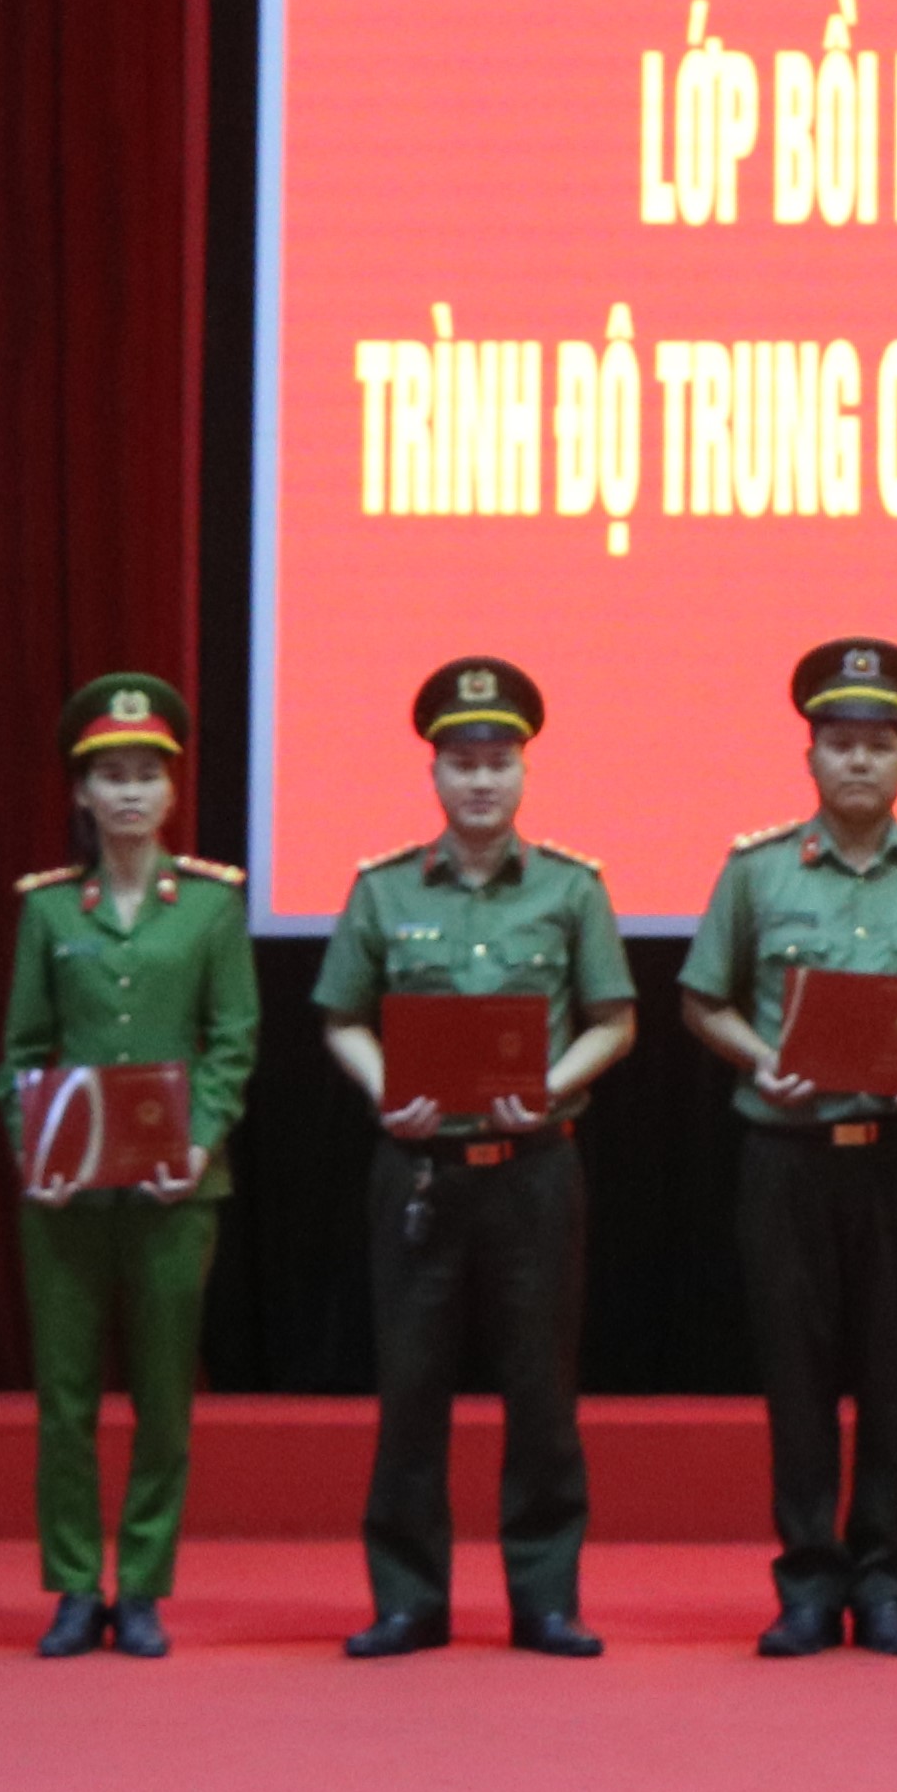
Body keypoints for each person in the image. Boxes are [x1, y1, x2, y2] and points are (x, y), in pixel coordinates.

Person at [682, 638, 897, 1659]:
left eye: (878, 744)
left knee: (895, 1381)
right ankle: (807, 1585)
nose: (859, 760)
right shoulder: (757, 870)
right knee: (798, 1380)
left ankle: (887, 1584)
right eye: (839, 743)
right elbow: (703, 999)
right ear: (811, 756)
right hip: (789, 1157)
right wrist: (761, 1058)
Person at [314, 657, 629, 1660]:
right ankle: (409, 1599)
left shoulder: (572, 888)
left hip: (534, 1167)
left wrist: (549, 1086)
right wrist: (384, 1090)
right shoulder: (383, 888)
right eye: (462, 762)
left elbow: (614, 1021)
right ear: (435, 773)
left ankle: (545, 1598)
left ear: (524, 770)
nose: (481, 780)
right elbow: (342, 1016)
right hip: (422, 1172)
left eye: (498, 762)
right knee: (411, 1392)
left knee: (542, 1392)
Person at [0, 674, 257, 1658]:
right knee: (64, 1400)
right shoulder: (49, 909)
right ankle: (73, 1584)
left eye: (148, 774)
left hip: (174, 1186)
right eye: (112, 776)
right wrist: (33, 1151)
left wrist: (199, 1141)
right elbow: (22, 1050)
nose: (131, 793)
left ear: (172, 789)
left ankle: (143, 1583)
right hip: (66, 1193)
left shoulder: (211, 905)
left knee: (163, 1399)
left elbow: (232, 1038)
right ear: (83, 791)